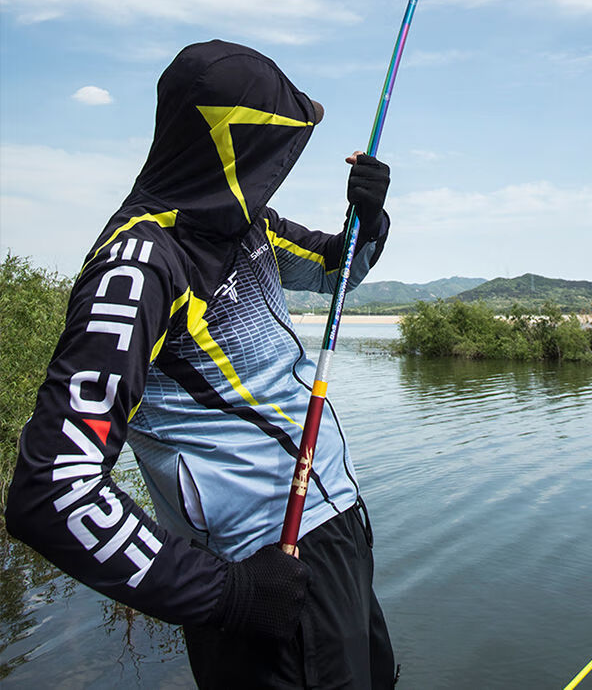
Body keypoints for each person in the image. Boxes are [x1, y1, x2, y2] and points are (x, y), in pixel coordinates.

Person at [5, 39, 397, 689]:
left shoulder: (248, 224)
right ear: (231, 145)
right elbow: (51, 488)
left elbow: (338, 269)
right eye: (271, 149)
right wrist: (233, 594)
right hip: (263, 569)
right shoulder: (139, 264)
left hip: (336, 532)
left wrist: (369, 215)